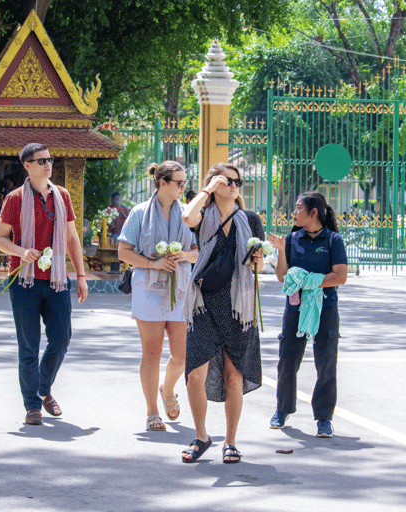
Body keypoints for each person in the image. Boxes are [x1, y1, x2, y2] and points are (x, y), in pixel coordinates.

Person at [0, 143, 89, 426]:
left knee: (62, 339)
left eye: (49, 159)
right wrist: (22, 251)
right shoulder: (14, 199)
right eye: (41, 160)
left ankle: (43, 388)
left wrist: (81, 276)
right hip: (23, 280)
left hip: (57, 280)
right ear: (27, 165)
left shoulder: (62, 195)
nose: (47, 164)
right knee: (29, 346)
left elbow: (72, 238)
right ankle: (32, 405)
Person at [180, 162, 264, 464]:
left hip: (237, 307)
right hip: (204, 302)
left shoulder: (250, 220)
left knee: (234, 377)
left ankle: (230, 441)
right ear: (215, 182)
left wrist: (257, 260)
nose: (233, 185)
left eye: (236, 181)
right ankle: (201, 436)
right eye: (227, 180)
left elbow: (259, 265)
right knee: (194, 376)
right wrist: (206, 190)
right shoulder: (203, 216)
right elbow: (187, 216)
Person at [117, 161, 198, 432]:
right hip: (148, 287)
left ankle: (168, 388)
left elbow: (200, 250)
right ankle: (152, 412)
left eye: (185, 182)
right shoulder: (140, 213)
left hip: (181, 288)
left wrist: (185, 255)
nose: (183, 187)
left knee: (182, 356)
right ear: (162, 183)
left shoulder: (188, 214)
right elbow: (123, 252)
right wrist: (153, 263)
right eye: (179, 183)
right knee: (152, 352)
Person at [266, 192, 347, 437]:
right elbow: (282, 276)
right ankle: (283, 409)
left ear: (314, 212)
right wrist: (281, 250)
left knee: (326, 363)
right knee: (287, 360)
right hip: (295, 306)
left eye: (299, 208)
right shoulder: (291, 239)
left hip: (325, 308)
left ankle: (324, 417)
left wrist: (307, 280)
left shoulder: (333, 240)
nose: (294, 212)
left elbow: (340, 276)